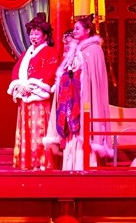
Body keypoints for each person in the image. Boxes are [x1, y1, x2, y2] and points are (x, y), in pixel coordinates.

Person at [44, 15, 114, 170]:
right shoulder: (75, 49)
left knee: (84, 128)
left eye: (77, 28)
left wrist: (75, 77)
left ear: (87, 30)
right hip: (72, 98)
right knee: (72, 132)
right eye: (74, 28)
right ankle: (70, 167)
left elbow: (92, 79)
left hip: (85, 99)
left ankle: (85, 166)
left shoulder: (94, 50)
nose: (74, 31)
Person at [8, 12, 60, 170]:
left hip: (38, 98)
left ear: (45, 35)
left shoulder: (50, 52)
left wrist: (30, 86)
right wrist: (19, 86)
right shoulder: (26, 54)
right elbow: (16, 72)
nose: (33, 36)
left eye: (37, 33)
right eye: (31, 33)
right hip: (25, 97)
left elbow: (49, 72)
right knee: (26, 131)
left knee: (39, 130)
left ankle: (42, 162)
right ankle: (27, 162)